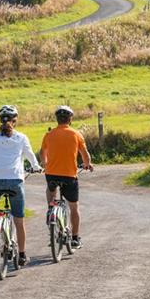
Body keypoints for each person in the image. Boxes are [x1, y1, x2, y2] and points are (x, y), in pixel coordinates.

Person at [0, 105, 42, 266]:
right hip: (15, 181)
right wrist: (36, 167)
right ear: (14, 121)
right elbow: (30, 156)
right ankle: (22, 255)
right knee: (19, 220)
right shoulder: (21, 137)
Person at [40, 105, 94, 249]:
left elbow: (42, 153)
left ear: (57, 119)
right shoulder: (76, 134)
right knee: (74, 207)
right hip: (69, 175)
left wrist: (45, 164)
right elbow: (84, 153)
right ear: (70, 119)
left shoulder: (49, 135)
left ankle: (51, 209)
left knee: (51, 191)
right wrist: (87, 164)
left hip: (51, 174)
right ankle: (75, 238)